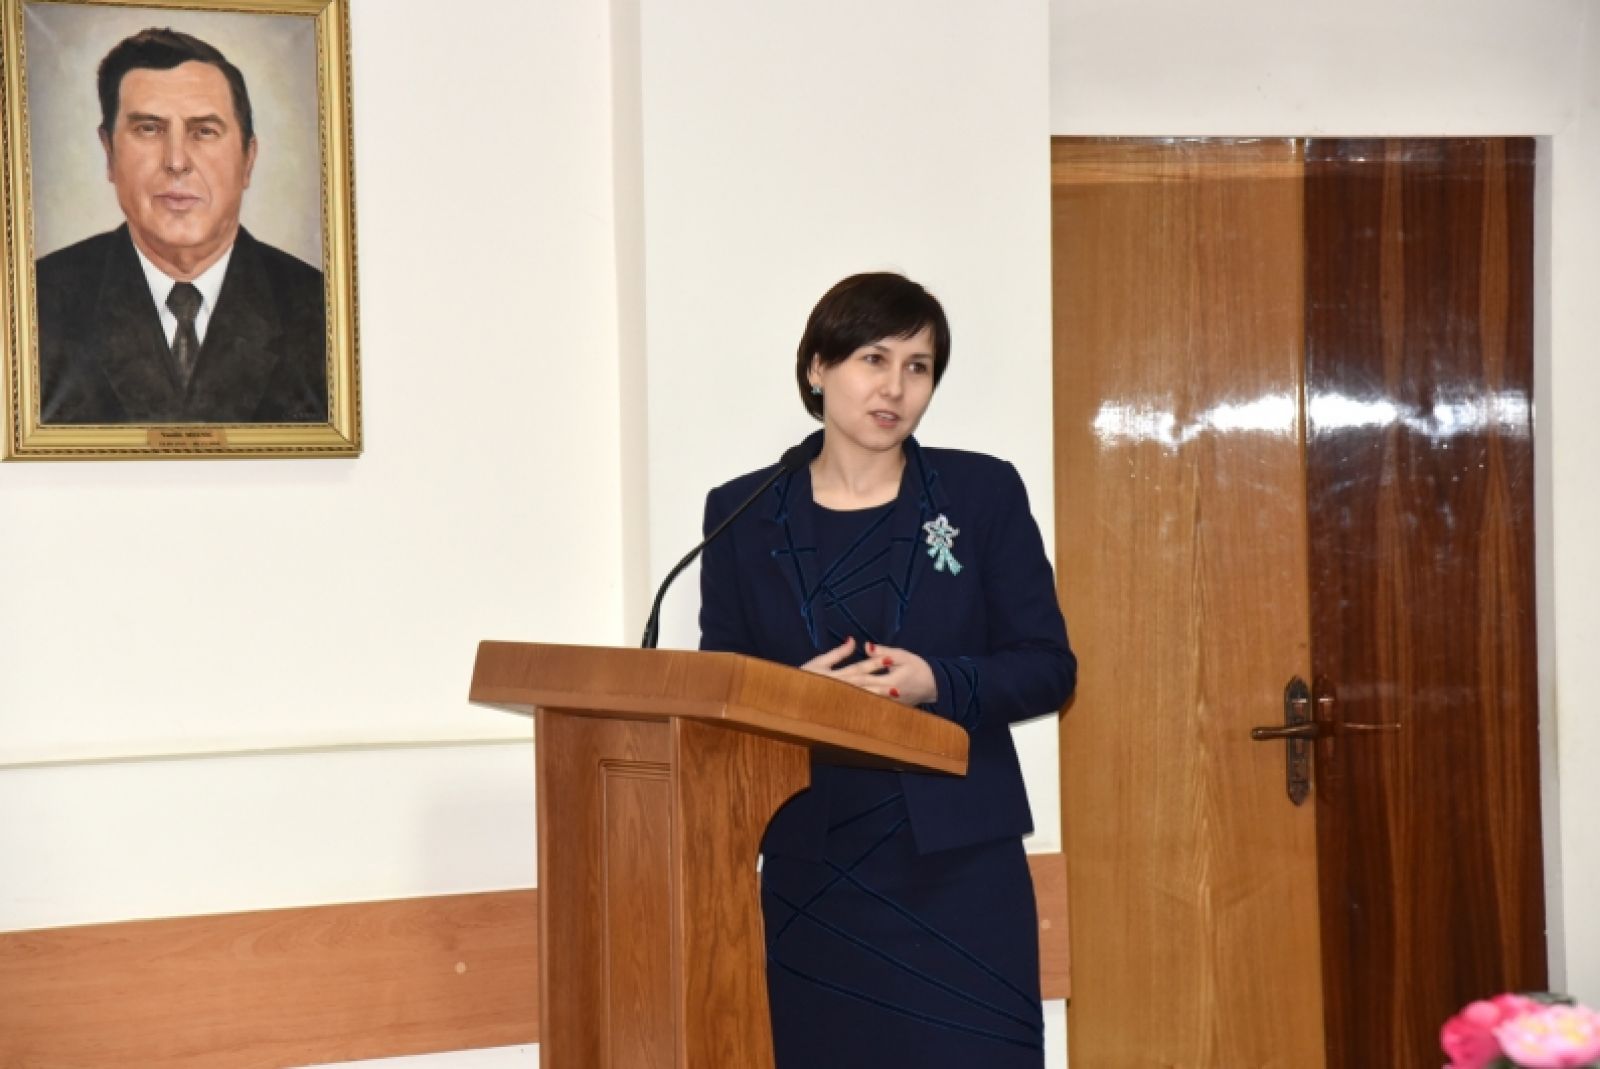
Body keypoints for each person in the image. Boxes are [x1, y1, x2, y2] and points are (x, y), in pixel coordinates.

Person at [698, 272, 1077, 1067]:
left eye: (918, 366)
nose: (895, 387)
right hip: (813, 868)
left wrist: (936, 681)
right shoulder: (742, 512)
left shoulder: (981, 493)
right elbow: (720, 688)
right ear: (817, 366)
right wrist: (799, 695)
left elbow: (1048, 668)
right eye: (873, 358)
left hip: (961, 869)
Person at [35, 27, 326, 425]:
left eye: (204, 132)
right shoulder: (37, 303)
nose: (176, 161)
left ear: (248, 159)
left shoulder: (320, 309)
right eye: (148, 129)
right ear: (109, 153)